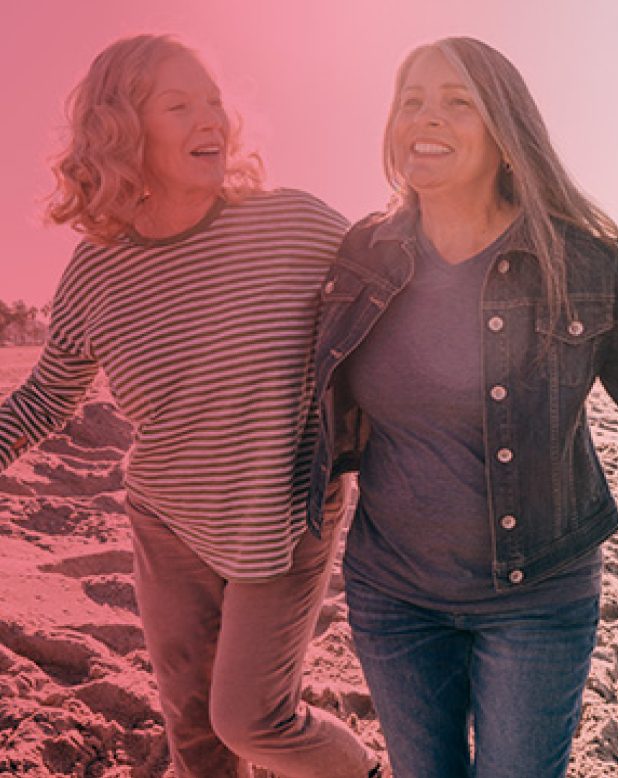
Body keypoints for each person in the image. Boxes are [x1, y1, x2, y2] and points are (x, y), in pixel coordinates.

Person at [0, 34, 378, 778]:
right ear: (124, 130)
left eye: (214, 102)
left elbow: (403, 300)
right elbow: (49, 393)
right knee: (197, 741)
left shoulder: (297, 226)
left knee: (253, 719)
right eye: (180, 105)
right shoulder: (95, 271)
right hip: (169, 523)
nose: (212, 120)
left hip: (285, 516)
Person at [307, 36, 618, 778]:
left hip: (538, 598)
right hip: (392, 594)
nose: (428, 116)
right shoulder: (364, 255)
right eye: (412, 100)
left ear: (506, 132)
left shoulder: (577, 261)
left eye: (458, 101)